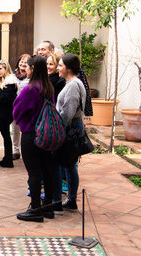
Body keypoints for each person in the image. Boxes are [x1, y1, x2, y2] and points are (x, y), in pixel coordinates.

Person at [13, 55, 55, 222]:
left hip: (31, 134)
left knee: (34, 172)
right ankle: (48, 206)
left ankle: (35, 209)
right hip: (46, 134)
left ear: (33, 69)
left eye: (28, 68)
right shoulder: (48, 87)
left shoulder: (29, 89)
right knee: (47, 170)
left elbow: (17, 112)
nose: (25, 70)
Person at [56, 54, 87, 212]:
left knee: (70, 165)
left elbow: (68, 112)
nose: (58, 68)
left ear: (68, 68)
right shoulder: (72, 83)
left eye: (60, 65)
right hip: (72, 126)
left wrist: (59, 128)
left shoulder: (74, 85)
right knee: (69, 165)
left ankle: (71, 199)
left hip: (71, 128)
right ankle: (71, 199)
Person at [46, 53, 67, 215]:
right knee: (51, 165)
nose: (49, 66)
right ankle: (53, 198)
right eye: (47, 64)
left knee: (55, 166)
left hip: (55, 125)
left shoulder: (59, 82)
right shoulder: (47, 81)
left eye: (52, 64)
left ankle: (56, 202)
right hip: (50, 125)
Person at [11, 54, 31, 160]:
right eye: (21, 61)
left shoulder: (31, 77)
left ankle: (26, 150)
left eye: (25, 62)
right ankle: (16, 150)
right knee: (15, 129)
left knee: (26, 130)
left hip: (27, 107)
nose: (23, 64)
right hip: (15, 107)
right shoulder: (12, 75)